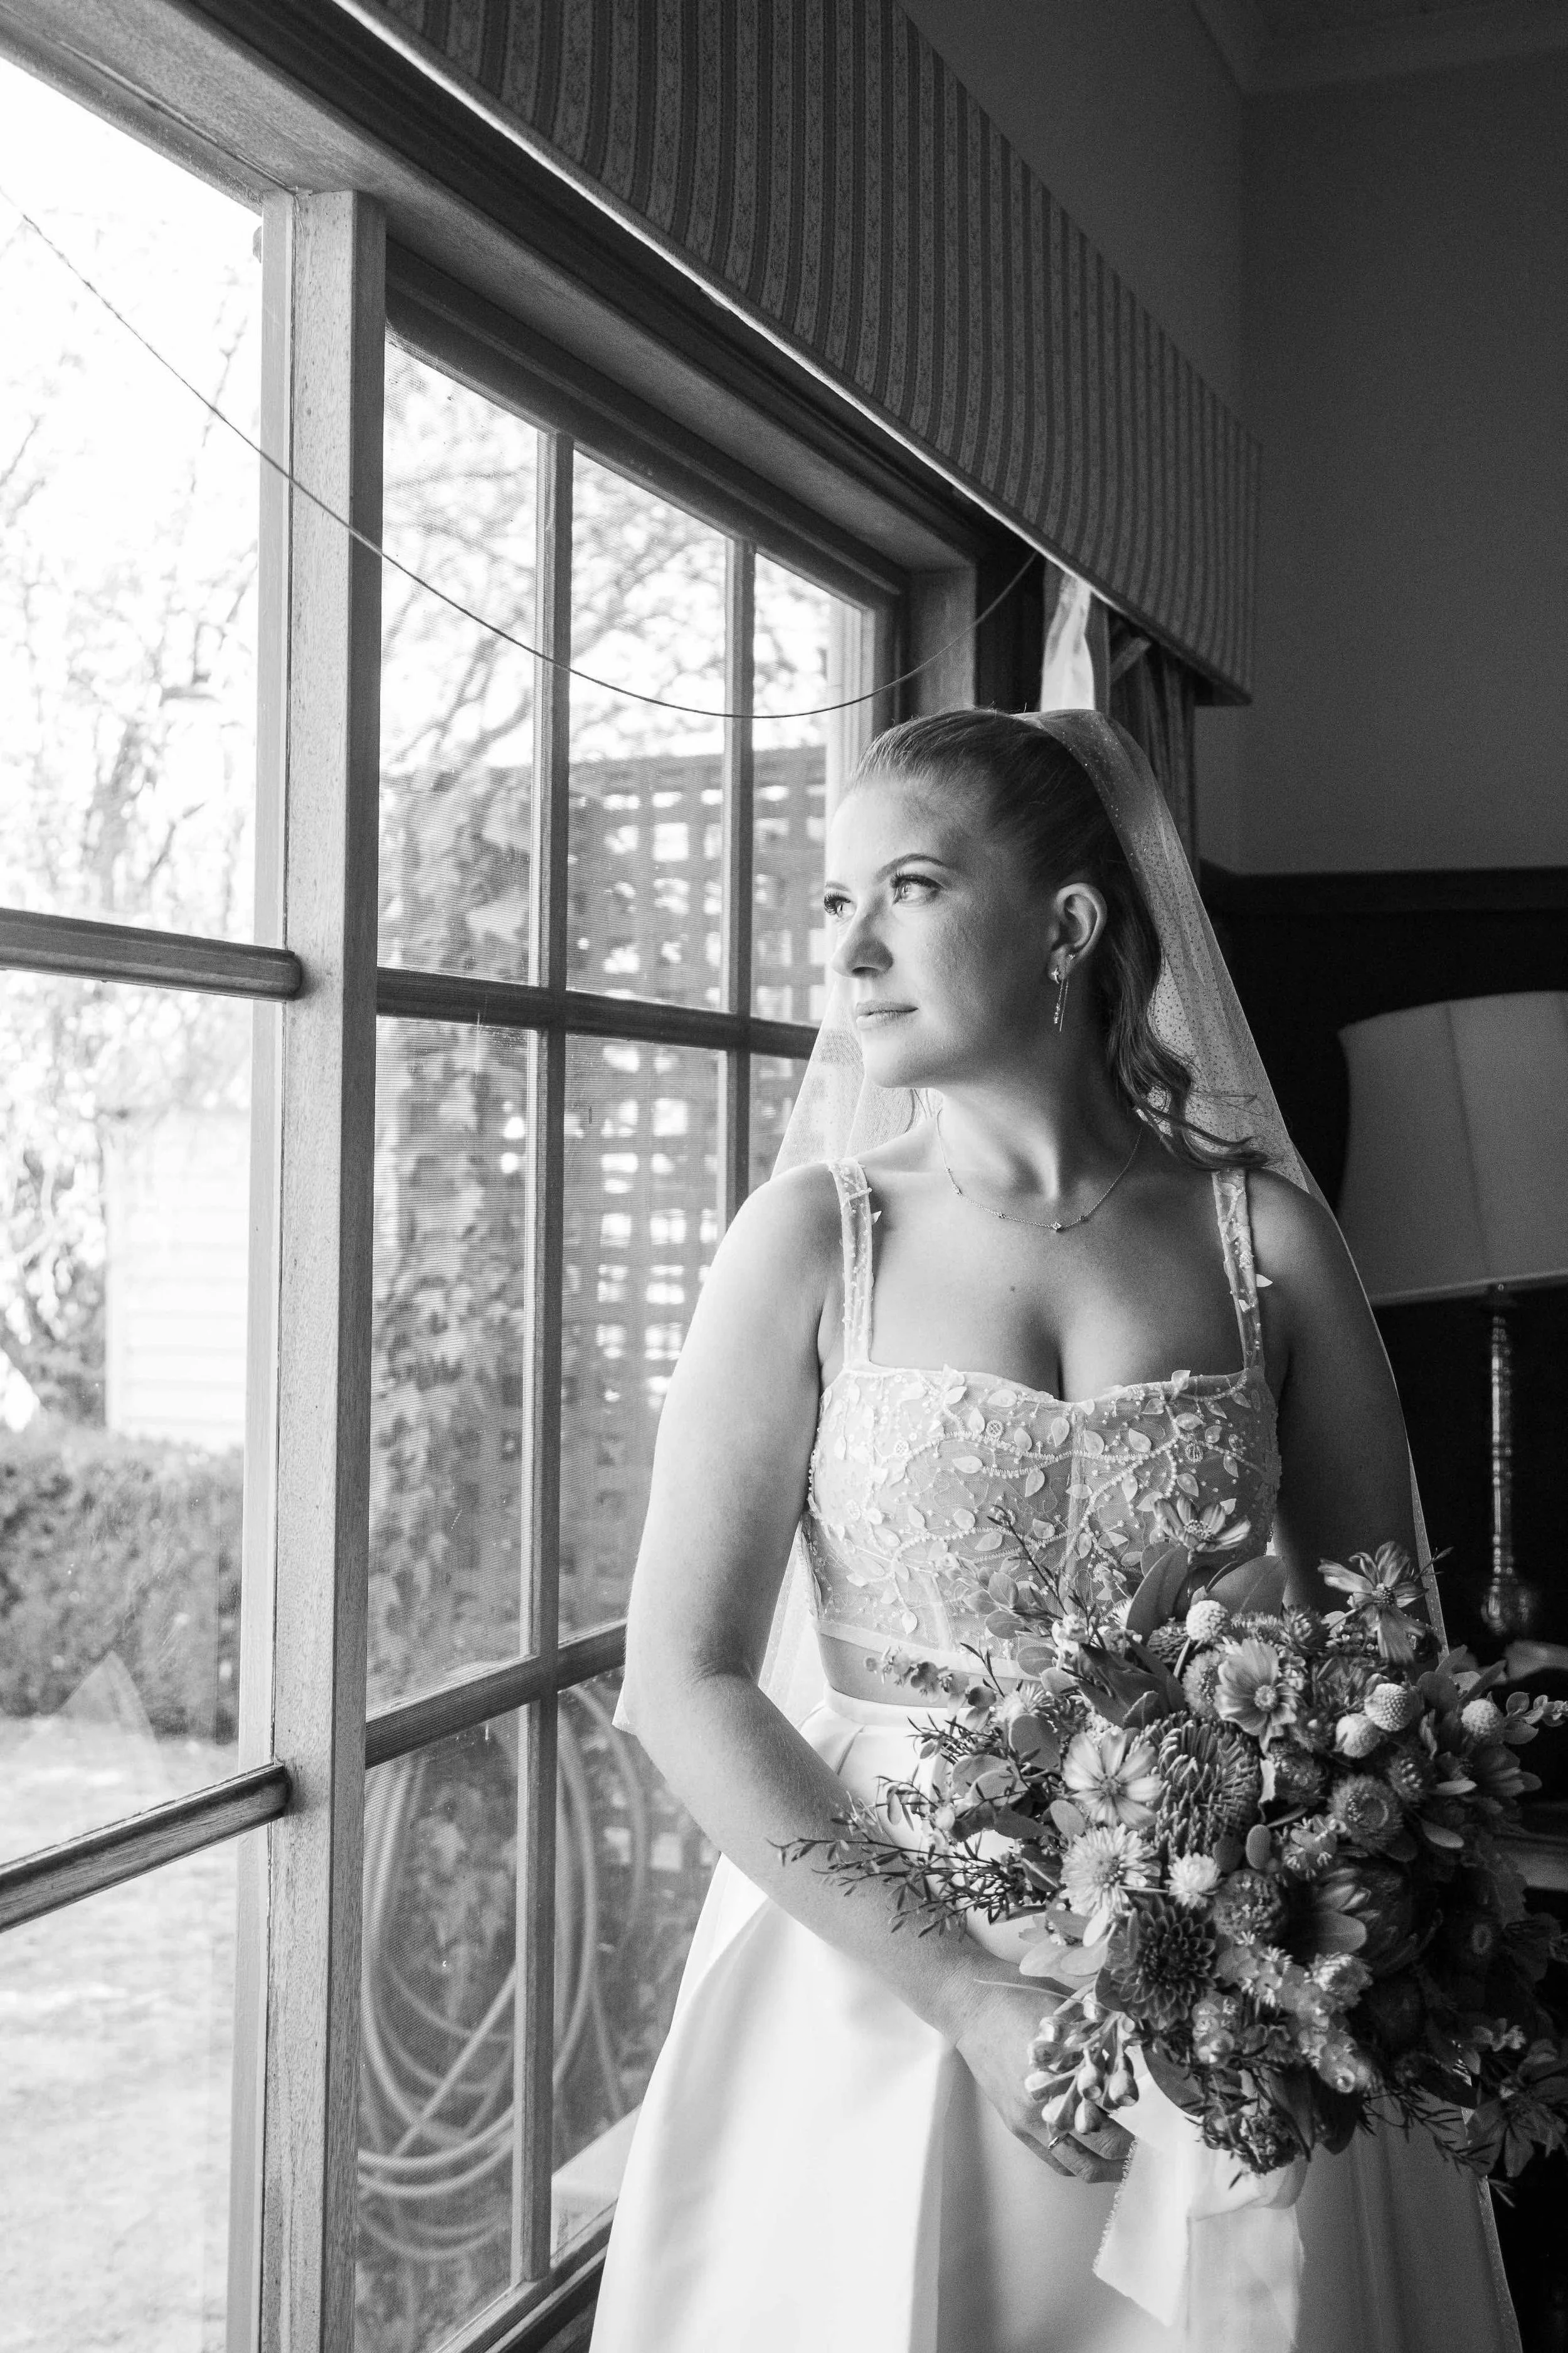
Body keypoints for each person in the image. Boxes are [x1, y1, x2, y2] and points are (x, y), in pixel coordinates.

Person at [590, 710, 1519, 2353]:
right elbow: (681, 1683)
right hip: (873, 1967)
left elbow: (1385, 1627)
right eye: (830, 903)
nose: (851, 945)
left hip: (1235, 1954)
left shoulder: (1262, 1241)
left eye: (911, 887)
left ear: (1066, 928)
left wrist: (1314, 1872)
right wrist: (964, 1988)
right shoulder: (809, 1241)